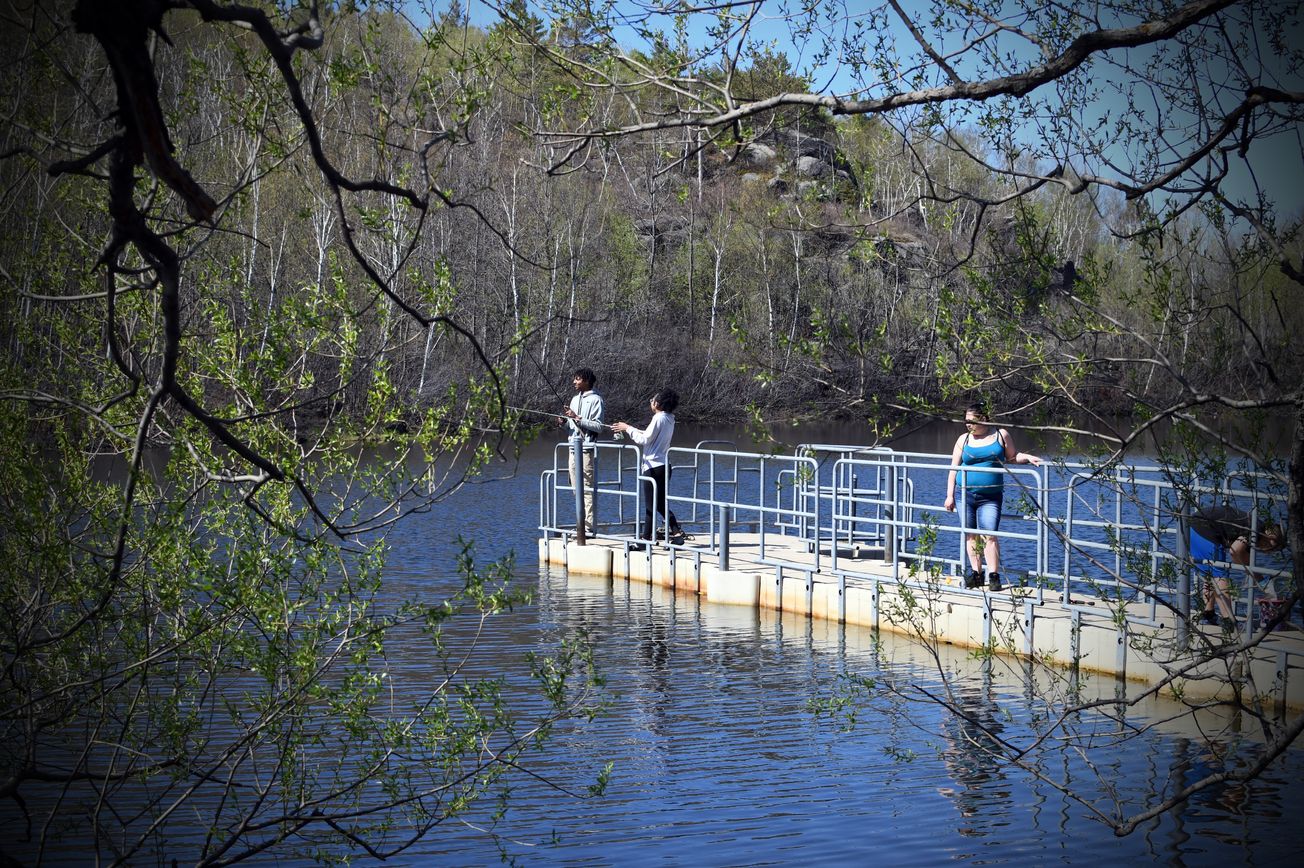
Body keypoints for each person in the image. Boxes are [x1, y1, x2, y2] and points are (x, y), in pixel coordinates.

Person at [943, 402, 1043, 591]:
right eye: (966, 421)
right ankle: (976, 574)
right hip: (965, 494)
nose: (967, 425)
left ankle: (994, 576)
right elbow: (953, 468)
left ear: (984, 419)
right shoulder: (963, 439)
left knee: (990, 535)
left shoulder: (1000, 435)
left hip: (991, 496)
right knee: (970, 535)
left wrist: (1028, 458)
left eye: (971, 421)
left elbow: (1012, 457)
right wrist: (950, 496)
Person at [1188, 503, 1285, 626]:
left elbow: (1243, 559)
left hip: (1195, 526)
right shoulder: (1257, 528)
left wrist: (1258, 578)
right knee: (1220, 574)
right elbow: (1235, 551)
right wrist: (1259, 579)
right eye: (1272, 548)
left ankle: (1208, 614)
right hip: (1204, 529)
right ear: (1271, 537)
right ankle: (1229, 621)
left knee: (1210, 573)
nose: (1268, 552)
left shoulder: (1255, 527)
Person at [611, 389, 683, 543]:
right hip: (664, 465)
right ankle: (675, 532)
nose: (651, 402)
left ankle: (646, 539)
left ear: (657, 403)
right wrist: (628, 427)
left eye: (652, 400)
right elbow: (648, 434)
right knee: (660, 502)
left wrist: (628, 429)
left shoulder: (658, 418)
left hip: (652, 467)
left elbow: (644, 440)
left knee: (651, 505)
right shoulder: (669, 418)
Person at [562, 367, 604, 534]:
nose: (574, 382)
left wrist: (578, 418)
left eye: (577, 379)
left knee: (586, 488)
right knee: (575, 488)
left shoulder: (596, 400)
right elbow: (570, 427)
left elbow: (599, 427)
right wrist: (563, 423)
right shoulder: (573, 399)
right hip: (572, 448)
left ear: (586, 381)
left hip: (586, 449)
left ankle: (588, 527)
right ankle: (581, 523)